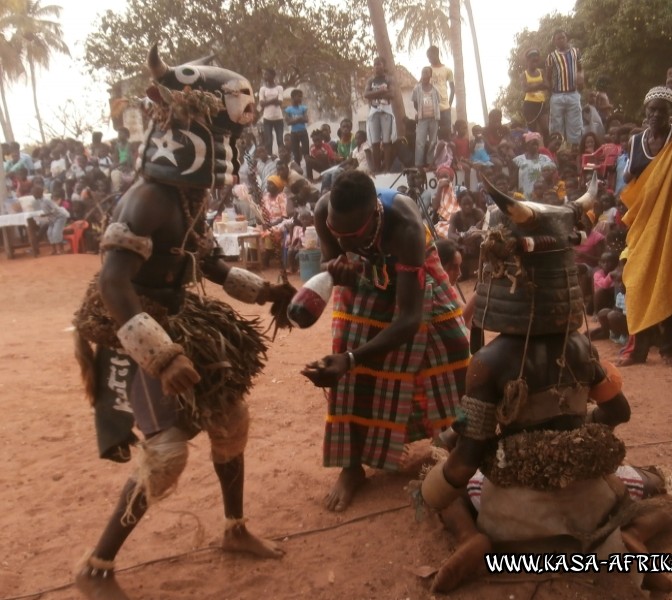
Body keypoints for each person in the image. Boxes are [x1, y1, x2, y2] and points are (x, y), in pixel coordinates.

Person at [71, 47, 296, 600]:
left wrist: (264, 291)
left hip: (175, 315)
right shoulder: (149, 199)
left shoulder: (187, 198)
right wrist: (163, 355)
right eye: (225, 140)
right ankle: (96, 566)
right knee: (168, 452)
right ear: (195, 138)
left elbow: (206, 262)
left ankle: (234, 530)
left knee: (229, 417)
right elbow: (113, 284)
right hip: (137, 326)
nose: (231, 152)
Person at [418, 184, 672, 594]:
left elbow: (467, 459)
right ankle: (630, 541)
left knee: (443, 488)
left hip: (511, 518)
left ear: (499, 274)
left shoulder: (487, 363)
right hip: (591, 509)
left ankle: (473, 540)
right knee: (664, 494)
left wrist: (427, 487)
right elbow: (618, 414)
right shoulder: (580, 348)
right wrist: (574, 441)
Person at [302, 171, 470, 512]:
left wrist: (352, 358)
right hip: (363, 274)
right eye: (338, 232)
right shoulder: (325, 212)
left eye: (353, 235)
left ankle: (463, 441)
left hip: (414, 265)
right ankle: (352, 467)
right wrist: (337, 267)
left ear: (374, 216)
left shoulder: (405, 226)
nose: (344, 242)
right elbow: (329, 258)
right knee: (350, 357)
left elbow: (409, 319)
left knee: (454, 347)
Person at [618, 87, 672, 367]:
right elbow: (630, 178)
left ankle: (670, 350)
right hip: (643, 222)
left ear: (671, 113)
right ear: (645, 111)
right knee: (636, 281)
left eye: (661, 110)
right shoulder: (634, 141)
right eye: (651, 110)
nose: (655, 115)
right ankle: (638, 349)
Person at [545, 30, 584, 148]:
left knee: (575, 124)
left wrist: (581, 77)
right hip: (557, 95)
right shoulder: (551, 57)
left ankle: (574, 152)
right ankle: (559, 152)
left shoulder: (576, 52)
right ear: (554, 41)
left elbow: (581, 69)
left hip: (573, 93)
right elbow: (547, 77)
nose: (561, 40)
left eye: (563, 37)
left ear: (566, 38)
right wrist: (549, 93)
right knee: (556, 126)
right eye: (558, 38)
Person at [364, 57, 396, 174]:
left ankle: (387, 169)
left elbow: (392, 94)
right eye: (375, 64)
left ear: (384, 65)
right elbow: (366, 94)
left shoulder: (389, 79)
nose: (377, 67)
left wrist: (374, 94)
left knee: (387, 141)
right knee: (375, 142)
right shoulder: (370, 80)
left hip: (386, 111)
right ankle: (377, 169)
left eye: (379, 64)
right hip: (374, 111)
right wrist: (382, 92)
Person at [447, 189, 484, 280]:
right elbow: (450, 234)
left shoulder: (478, 213)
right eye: (464, 204)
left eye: (470, 204)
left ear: (473, 203)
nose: (467, 206)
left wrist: (473, 237)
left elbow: (484, 229)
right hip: (463, 242)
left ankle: (483, 272)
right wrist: (459, 239)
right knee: (455, 246)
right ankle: (464, 274)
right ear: (459, 204)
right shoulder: (456, 216)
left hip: (477, 241)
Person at [511, 131, 555, 201]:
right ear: (527, 146)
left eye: (536, 144)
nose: (535, 146)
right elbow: (514, 179)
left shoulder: (545, 159)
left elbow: (551, 175)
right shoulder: (518, 160)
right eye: (533, 144)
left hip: (541, 196)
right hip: (524, 196)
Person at [412, 66, 441, 169]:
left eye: (426, 73)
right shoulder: (417, 88)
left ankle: (430, 163)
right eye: (423, 72)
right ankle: (418, 164)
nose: (424, 75)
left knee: (433, 141)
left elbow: (438, 102)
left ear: (430, 75)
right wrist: (420, 112)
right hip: (422, 119)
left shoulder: (435, 88)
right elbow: (415, 102)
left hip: (434, 118)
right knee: (420, 141)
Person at [31, 180, 69, 254]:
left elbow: (55, 208)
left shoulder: (46, 200)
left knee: (56, 232)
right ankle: (53, 249)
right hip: (52, 218)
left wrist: (47, 215)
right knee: (49, 232)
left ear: (38, 193)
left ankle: (60, 249)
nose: (33, 195)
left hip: (59, 217)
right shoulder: (40, 201)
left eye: (34, 194)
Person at [426, 45, 455, 138]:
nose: (429, 60)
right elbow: (421, 86)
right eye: (428, 57)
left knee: (446, 135)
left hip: (445, 109)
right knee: (433, 136)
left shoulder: (448, 70)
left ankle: (448, 153)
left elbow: (452, 89)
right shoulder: (427, 70)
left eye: (430, 57)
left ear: (436, 54)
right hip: (432, 108)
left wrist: (449, 104)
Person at [257, 68, 284, 155]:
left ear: (273, 76)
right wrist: (273, 100)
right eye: (264, 74)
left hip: (278, 118)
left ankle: (282, 158)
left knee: (280, 140)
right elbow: (261, 104)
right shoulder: (262, 89)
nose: (265, 76)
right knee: (268, 142)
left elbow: (279, 102)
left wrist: (267, 102)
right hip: (267, 118)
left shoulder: (279, 88)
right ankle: (269, 159)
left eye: (266, 74)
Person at [521, 49, 548, 135]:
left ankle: (547, 148)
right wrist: (540, 84)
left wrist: (532, 86)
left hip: (541, 103)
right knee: (533, 131)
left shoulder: (541, 72)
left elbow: (547, 85)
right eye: (533, 60)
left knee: (546, 129)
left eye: (536, 60)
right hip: (529, 104)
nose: (535, 62)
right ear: (528, 60)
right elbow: (525, 89)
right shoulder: (524, 74)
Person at [284, 89, 309, 165]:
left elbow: (306, 119)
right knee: (296, 154)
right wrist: (299, 118)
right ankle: (299, 172)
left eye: (301, 97)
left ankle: (309, 174)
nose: (300, 98)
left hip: (303, 132)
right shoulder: (288, 110)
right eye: (299, 96)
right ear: (293, 97)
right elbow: (288, 122)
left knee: (306, 153)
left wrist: (294, 120)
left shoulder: (303, 108)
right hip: (294, 133)